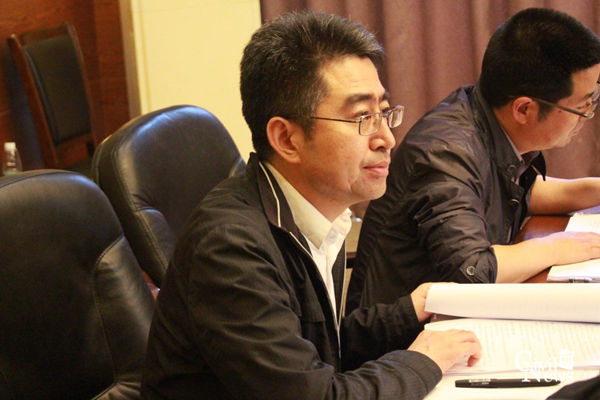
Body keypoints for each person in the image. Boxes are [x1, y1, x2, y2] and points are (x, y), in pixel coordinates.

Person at [141, 10, 481, 400]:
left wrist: (411, 309)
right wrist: (423, 361)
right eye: (362, 117)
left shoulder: (317, 211)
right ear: (287, 139)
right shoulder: (229, 249)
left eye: (385, 113)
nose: (386, 138)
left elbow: (317, 345)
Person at [347, 7, 600, 311]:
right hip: (403, 331)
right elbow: (473, 271)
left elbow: (521, 192)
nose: (588, 114)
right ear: (523, 109)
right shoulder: (445, 153)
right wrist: (557, 247)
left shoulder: (482, 114)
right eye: (582, 106)